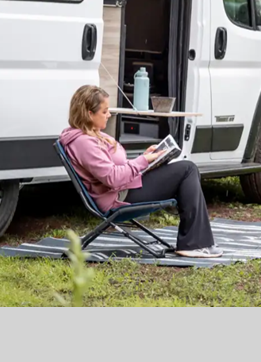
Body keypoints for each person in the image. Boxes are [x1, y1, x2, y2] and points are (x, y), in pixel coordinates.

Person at [59, 85, 222, 259]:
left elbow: (116, 167)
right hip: (119, 196)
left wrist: (145, 158)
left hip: (126, 187)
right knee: (187, 170)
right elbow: (112, 178)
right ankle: (194, 244)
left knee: (187, 171)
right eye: (104, 111)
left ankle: (194, 242)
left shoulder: (93, 135)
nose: (109, 115)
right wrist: (143, 161)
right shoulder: (84, 143)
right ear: (89, 114)